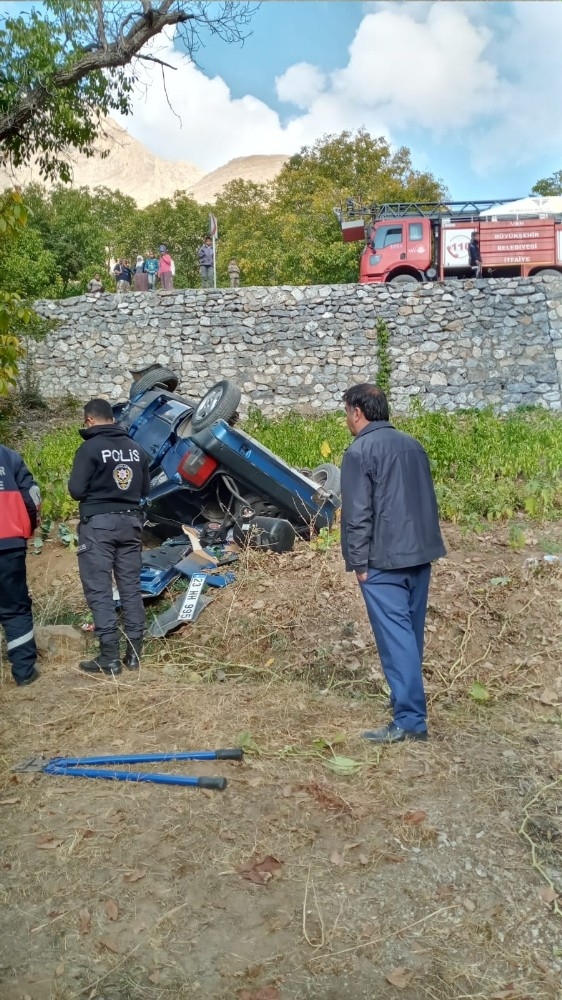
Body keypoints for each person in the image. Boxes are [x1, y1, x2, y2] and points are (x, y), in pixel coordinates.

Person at [340, 384, 446, 743]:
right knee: (410, 636)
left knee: (396, 639)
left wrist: (358, 563)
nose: (347, 421)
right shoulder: (412, 445)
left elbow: (357, 514)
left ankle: (410, 720)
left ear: (358, 412)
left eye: (346, 413)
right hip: (419, 555)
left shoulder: (360, 451)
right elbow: (425, 499)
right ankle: (406, 702)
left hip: (383, 560)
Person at [68, 398, 150, 676]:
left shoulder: (89, 448)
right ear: (113, 420)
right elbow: (145, 488)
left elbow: (77, 490)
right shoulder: (137, 450)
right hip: (131, 524)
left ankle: (110, 657)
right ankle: (134, 655)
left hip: (99, 527)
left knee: (99, 588)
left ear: (89, 420)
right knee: (130, 586)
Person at [0, 444, 41, 687]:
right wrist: (29, 528)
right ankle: (24, 671)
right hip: (9, 542)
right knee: (15, 607)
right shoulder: (8, 456)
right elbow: (32, 496)